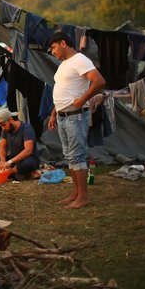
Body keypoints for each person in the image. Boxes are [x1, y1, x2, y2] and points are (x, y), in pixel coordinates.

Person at [47, 32, 105, 209]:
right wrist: (54, 112)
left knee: (77, 156)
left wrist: (82, 100)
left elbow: (99, 81)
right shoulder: (64, 64)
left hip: (75, 116)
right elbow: (66, 91)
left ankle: (84, 197)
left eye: (54, 47)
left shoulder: (80, 60)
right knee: (70, 157)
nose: (52, 51)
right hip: (64, 116)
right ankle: (75, 193)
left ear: (63, 43)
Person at [0, 108, 40, 179]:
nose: (3, 128)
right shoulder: (5, 129)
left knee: (27, 164)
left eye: (4, 125)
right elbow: (3, 147)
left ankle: (10, 172)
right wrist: (2, 161)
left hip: (27, 159)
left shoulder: (26, 128)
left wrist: (8, 163)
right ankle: (15, 172)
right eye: (1, 126)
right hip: (13, 159)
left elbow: (28, 151)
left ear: (10, 119)